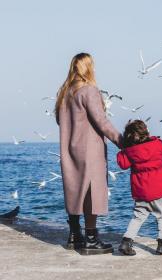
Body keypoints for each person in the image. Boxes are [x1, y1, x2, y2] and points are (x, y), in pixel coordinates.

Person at [55, 53, 122, 255]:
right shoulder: (89, 90)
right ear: (88, 67)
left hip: (69, 148)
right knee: (91, 193)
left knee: (75, 189)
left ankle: (75, 235)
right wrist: (123, 142)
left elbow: (60, 120)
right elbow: (102, 122)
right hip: (90, 150)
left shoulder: (64, 93)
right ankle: (91, 240)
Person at [116, 120, 162, 256]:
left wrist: (123, 150)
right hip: (158, 188)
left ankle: (126, 242)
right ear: (146, 131)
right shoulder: (157, 144)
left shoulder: (129, 151)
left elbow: (123, 164)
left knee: (138, 217)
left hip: (141, 189)